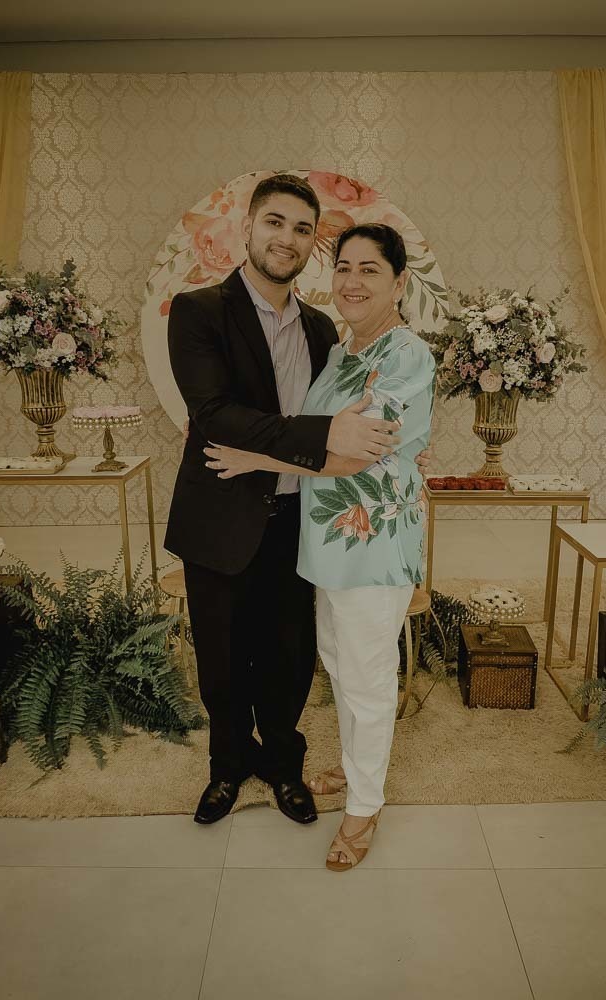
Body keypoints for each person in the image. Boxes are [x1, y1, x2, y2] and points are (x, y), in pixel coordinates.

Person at [166, 175, 410, 827]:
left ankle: (282, 764)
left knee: (289, 658)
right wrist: (323, 433)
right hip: (220, 519)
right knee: (221, 664)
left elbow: (358, 418)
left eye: (303, 229)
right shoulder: (198, 311)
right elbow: (215, 415)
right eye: (275, 222)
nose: (287, 238)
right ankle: (226, 768)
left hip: (300, 522)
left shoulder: (323, 328)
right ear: (246, 227)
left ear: (311, 246)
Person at [204, 223, 435, 870]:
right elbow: (320, 436)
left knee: (366, 679)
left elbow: (357, 456)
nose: (352, 281)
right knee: (340, 664)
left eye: (370, 269)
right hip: (329, 542)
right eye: (344, 268)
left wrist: (257, 458)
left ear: (399, 282)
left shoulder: (406, 355)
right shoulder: (341, 350)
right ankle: (357, 766)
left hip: (374, 543)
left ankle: (364, 808)